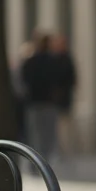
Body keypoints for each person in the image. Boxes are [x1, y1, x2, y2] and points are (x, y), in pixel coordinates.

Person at [20, 31, 61, 166]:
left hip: (35, 102)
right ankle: (44, 162)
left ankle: (35, 163)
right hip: (48, 102)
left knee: (35, 134)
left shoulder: (31, 61)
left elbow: (24, 80)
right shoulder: (53, 61)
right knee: (48, 135)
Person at [52, 34, 78, 163]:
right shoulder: (55, 59)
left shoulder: (66, 59)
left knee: (65, 127)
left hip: (63, 100)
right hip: (54, 101)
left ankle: (66, 152)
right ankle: (60, 151)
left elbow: (72, 79)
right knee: (57, 127)